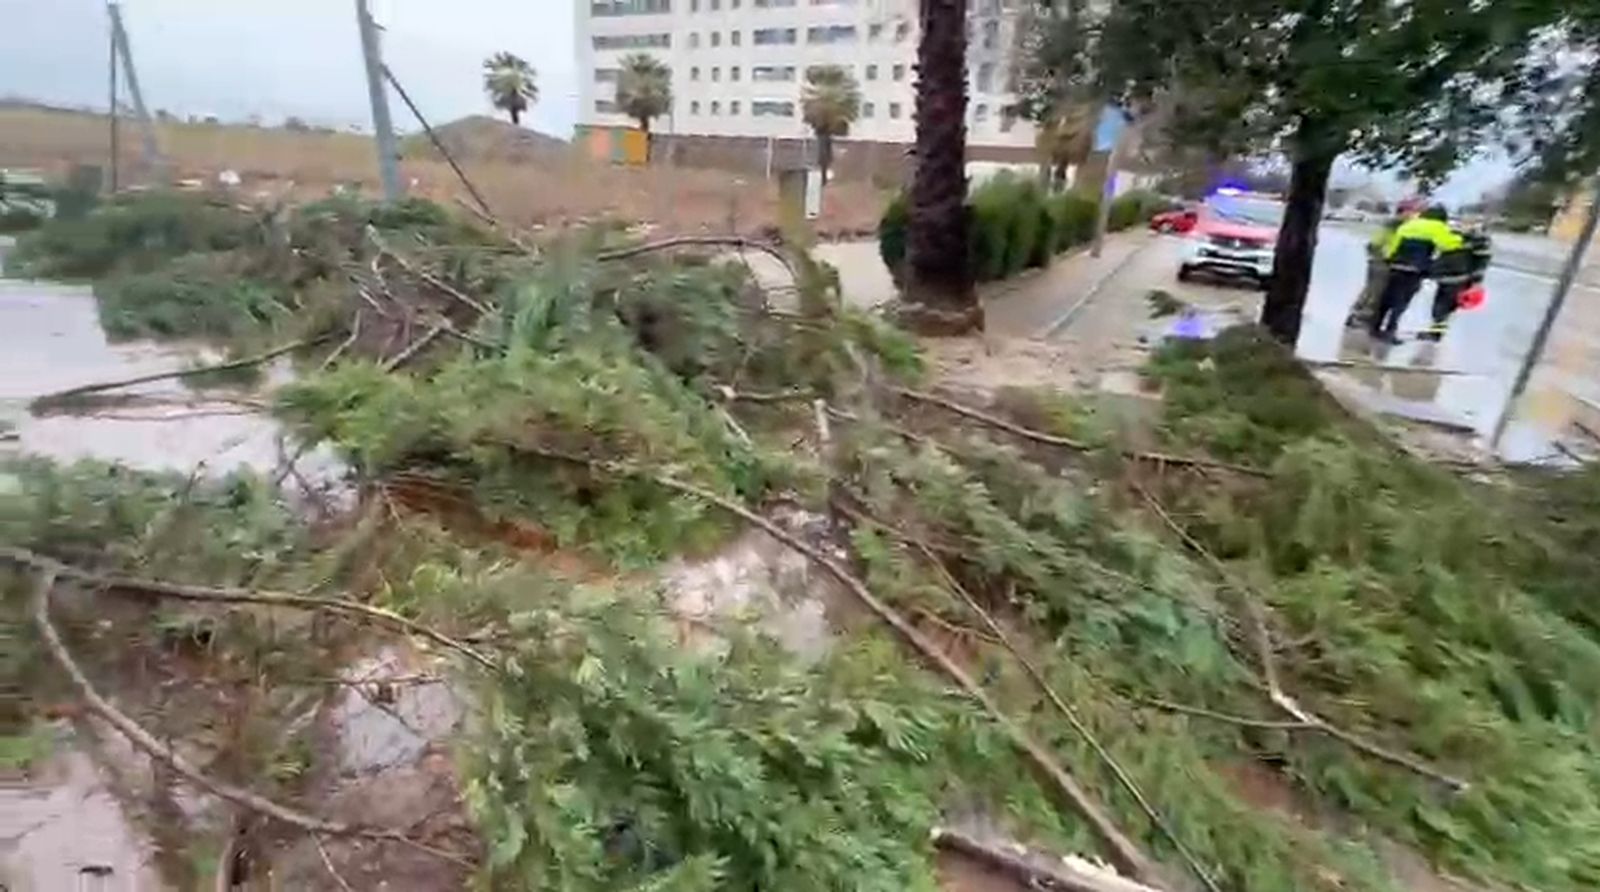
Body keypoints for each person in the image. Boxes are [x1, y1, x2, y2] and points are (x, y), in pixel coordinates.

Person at [1369, 205, 1463, 343]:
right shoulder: (1438, 227)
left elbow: (1393, 246)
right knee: (1401, 302)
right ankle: (1390, 331)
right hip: (1414, 270)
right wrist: (1460, 237)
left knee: (1387, 299)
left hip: (1395, 266)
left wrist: (1390, 259)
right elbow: (1449, 245)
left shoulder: (1409, 225)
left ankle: (1374, 328)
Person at [1418, 228, 1491, 341]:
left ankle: (1436, 333)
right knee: (1443, 307)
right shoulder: (1460, 238)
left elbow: (1480, 263)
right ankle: (1436, 332)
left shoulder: (1475, 242)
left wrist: (1476, 281)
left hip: (1458, 279)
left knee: (1443, 307)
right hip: (1450, 278)